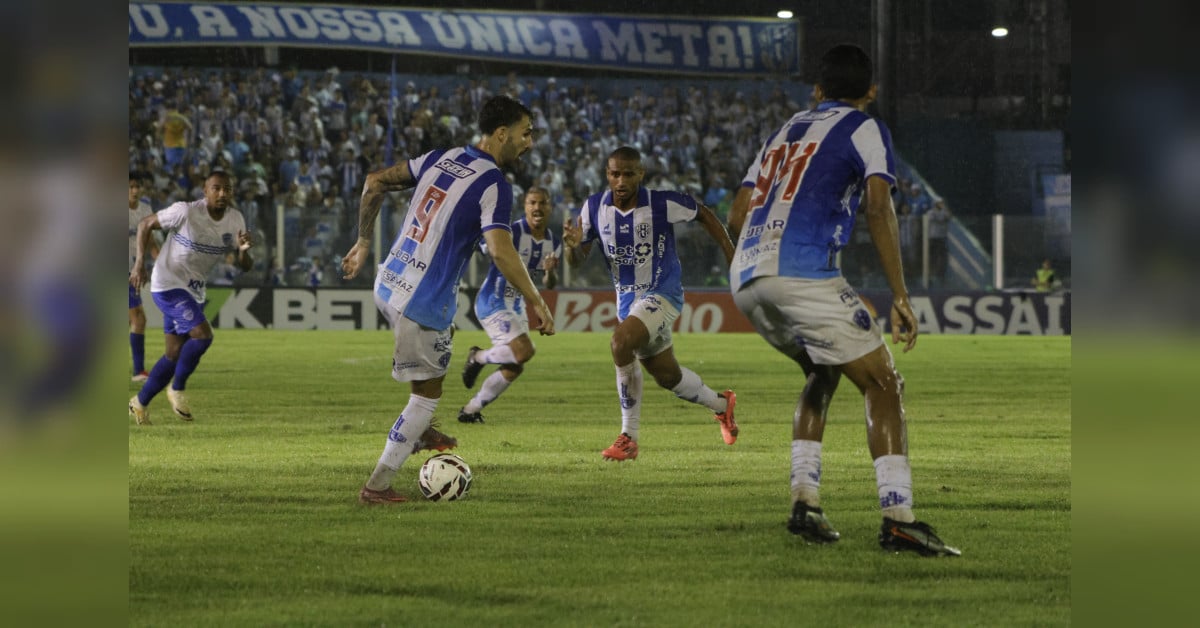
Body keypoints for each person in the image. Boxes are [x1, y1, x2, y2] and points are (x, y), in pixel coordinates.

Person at [727, 43, 959, 556]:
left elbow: (739, 213)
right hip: (803, 274)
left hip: (745, 276)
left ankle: (804, 503)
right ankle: (899, 518)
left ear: (816, 90)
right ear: (871, 91)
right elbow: (879, 208)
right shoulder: (866, 127)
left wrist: (752, 264)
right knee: (883, 382)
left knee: (823, 371)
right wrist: (899, 293)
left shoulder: (782, 131)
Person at [341, 95, 556, 505]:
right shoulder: (494, 183)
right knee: (426, 396)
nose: (529, 142)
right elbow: (499, 249)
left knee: (431, 368)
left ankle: (421, 431)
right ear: (501, 134)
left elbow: (374, 182)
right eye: (525, 133)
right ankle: (377, 486)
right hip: (421, 302)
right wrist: (537, 301)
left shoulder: (443, 156)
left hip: (389, 282)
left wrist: (363, 241)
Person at [561, 146, 738, 462]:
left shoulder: (661, 203)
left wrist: (730, 252)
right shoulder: (593, 208)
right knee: (668, 377)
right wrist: (572, 249)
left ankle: (628, 437)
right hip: (629, 304)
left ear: (640, 174)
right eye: (615, 173)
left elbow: (704, 214)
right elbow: (576, 261)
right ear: (607, 174)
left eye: (629, 173)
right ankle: (723, 406)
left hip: (663, 293)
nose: (621, 180)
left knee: (619, 343)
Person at [128, 171, 253, 425]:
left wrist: (243, 251)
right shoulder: (185, 211)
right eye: (216, 188)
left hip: (193, 290)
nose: (222, 193)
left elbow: (245, 266)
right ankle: (177, 388)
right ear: (205, 191)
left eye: (226, 189)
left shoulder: (235, 219)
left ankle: (138, 403)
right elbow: (145, 224)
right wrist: (140, 263)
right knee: (203, 335)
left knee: (174, 354)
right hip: (168, 283)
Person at [458, 186, 561, 424]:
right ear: (525, 207)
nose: (537, 207)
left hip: (516, 305)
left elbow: (550, 283)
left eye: (542, 203)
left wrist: (550, 272)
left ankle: (470, 411)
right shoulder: (511, 231)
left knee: (515, 365)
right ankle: (478, 357)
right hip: (493, 299)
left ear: (549, 207)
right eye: (532, 203)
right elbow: (485, 248)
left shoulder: (553, 242)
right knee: (524, 351)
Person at [128, 175, 159, 382]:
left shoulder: (145, 210)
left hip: (133, 271)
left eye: (137, 186)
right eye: (130, 187)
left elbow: (150, 241)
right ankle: (138, 372)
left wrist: (162, 262)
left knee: (135, 319)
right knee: (138, 318)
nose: (134, 190)